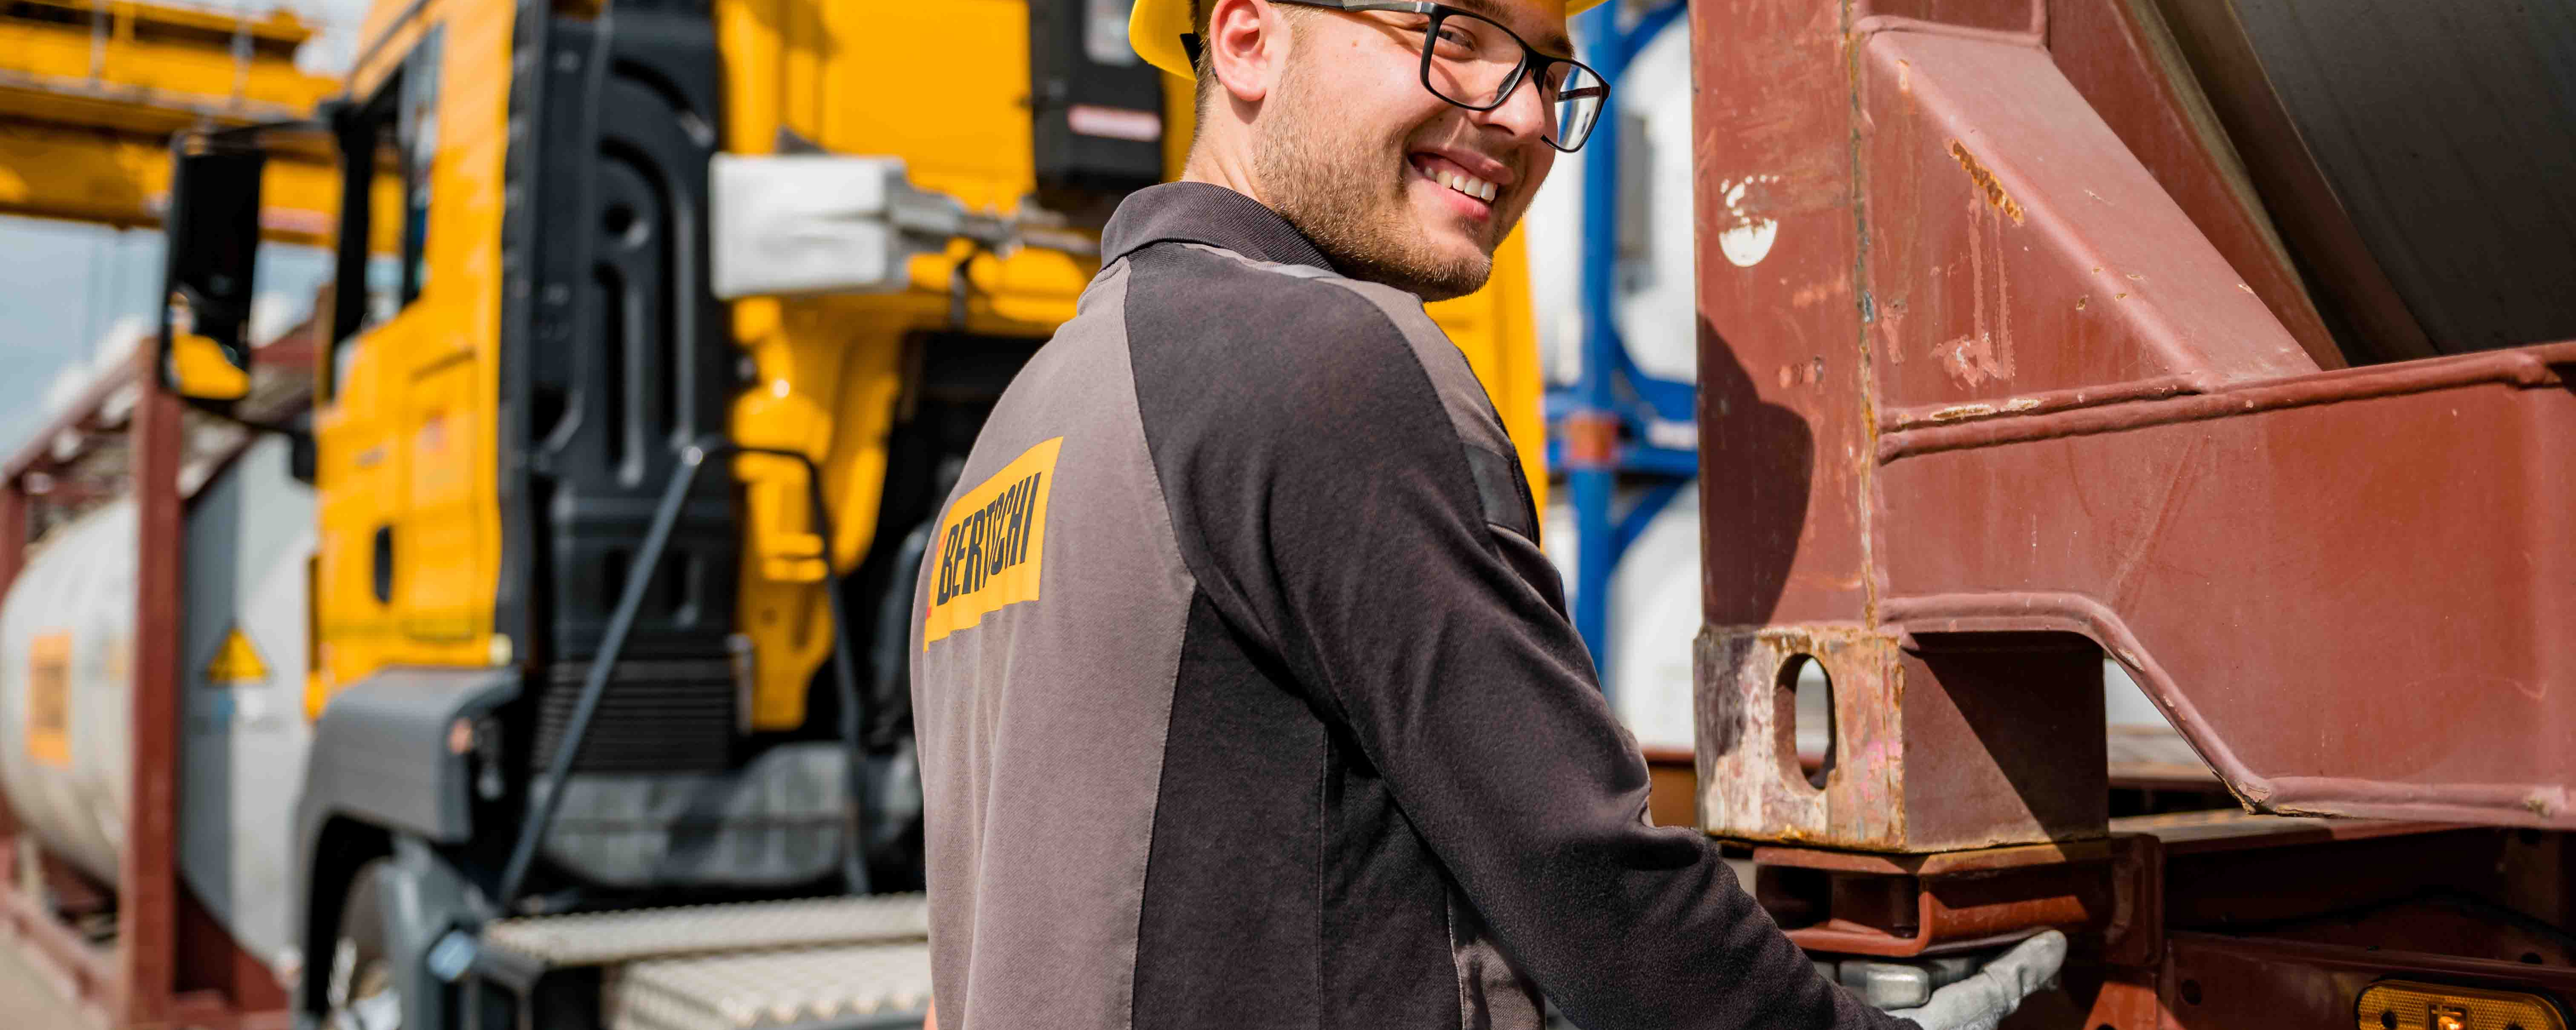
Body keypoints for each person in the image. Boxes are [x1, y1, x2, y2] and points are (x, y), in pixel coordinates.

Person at [906, 0, 2065, 1027]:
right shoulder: (1323, 362)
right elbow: (1583, 878)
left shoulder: (1025, 428)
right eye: (1456, 35)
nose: (1518, 117)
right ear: (1248, 36)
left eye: (1551, 72)